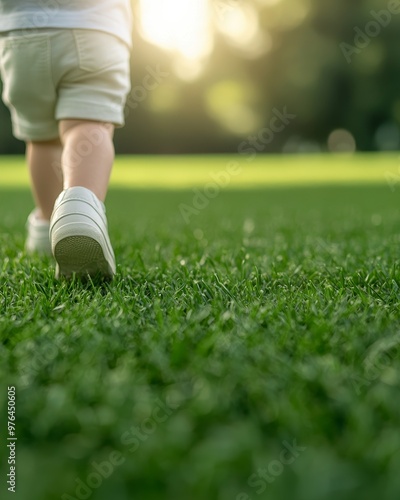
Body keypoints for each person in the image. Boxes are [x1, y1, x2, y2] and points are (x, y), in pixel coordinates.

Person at [0, 0, 132, 279]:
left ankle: (48, 224)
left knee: (41, 138)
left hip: (21, 34)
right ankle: (80, 205)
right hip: (94, 27)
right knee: (87, 125)